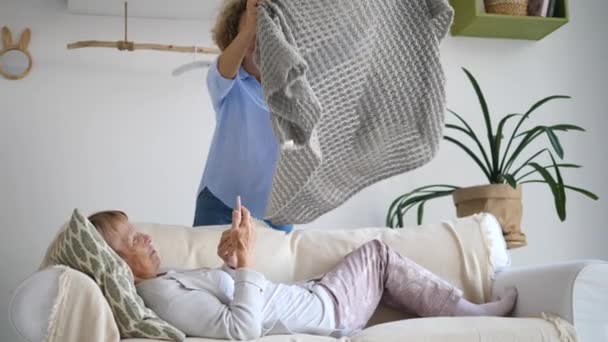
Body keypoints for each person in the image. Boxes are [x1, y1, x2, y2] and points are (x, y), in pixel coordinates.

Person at [88, 206, 518, 340]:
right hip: (324, 312)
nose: (143, 237)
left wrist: (232, 261)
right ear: (118, 263)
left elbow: (226, 298)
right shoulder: (159, 297)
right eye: (130, 240)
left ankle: (460, 313)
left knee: (377, 258)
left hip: (314, 296)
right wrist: (250, 262)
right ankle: (468, 316)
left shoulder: (166, 280)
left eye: (136, 231)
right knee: (379, 257)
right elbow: (239, 329)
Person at [193, 0, 292, 232]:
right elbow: (224, 69)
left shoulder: (292, 89)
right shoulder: (228, 81)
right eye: (250, 35)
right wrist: (249, 26)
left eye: (265, 34)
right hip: (220, 200)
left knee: (273, 269)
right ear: (235, 39)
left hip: (277, 207)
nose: (257, 42)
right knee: (210, 267)